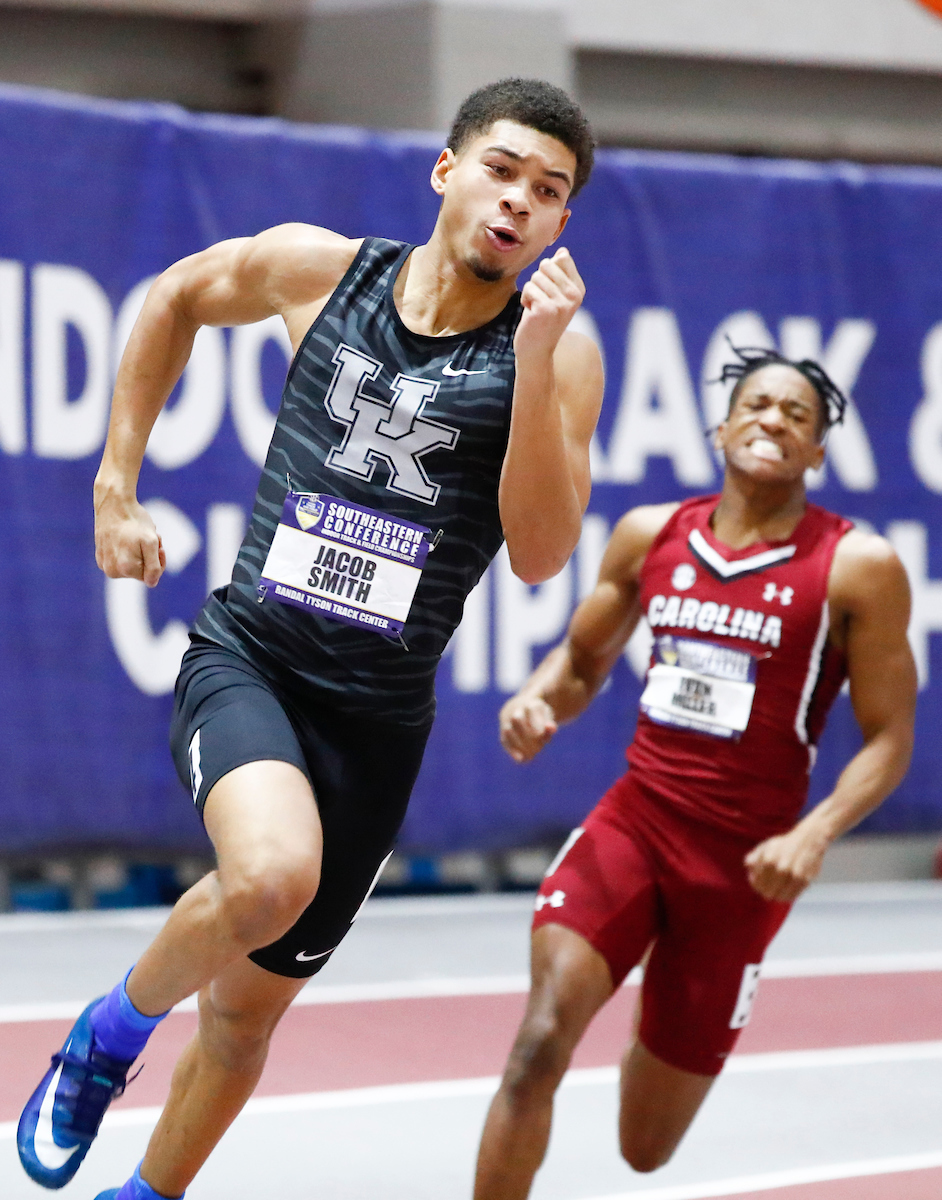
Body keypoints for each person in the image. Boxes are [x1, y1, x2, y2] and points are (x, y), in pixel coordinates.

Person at [17, 78, 603, 1200]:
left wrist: (531, 367)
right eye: (503, 170)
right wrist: (114, 484)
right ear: (446, 170)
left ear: (561, 226)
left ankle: (143, 1193)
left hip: (377, 722)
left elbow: (537, 552)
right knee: (273, 876)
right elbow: (182, 295)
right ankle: (106, 1034)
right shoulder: (322, 271)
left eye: (550, 192)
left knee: (242, 1018)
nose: (519, 202)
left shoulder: (561, 358)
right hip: (256, 660)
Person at [473, 347, 917, 1199]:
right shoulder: (652, 535)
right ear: (721, 428)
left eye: (797, 415)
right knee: (536, 1049)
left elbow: (890, 738)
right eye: (757, 405)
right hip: (634, 826)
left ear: (819, 452)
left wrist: (814, 834)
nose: (773, 421)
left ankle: (671, 995)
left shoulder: (858, 567)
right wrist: (535, 702)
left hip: (742, 869)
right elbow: (577, 663)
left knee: (646, 1149)